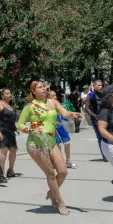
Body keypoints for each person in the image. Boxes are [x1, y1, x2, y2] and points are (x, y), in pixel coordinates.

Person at [18, 80, 70, 215]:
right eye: (40, 87)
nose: (43, 89)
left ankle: (52, 192)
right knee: (51, 174)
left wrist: (73, 114)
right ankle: (60, 202)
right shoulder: (30, 106)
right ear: (34, 92)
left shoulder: (53, 102)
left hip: (50, 141)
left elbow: (64, 113)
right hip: (36, 144)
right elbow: (19, 124)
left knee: (63, 172)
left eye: (44, 86)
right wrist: (30, 130)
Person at [49, 88, 82, 169]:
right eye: (53, 96)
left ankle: (68, 160)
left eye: (55, 96)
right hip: (53, 128)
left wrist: (68, 119)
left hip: (60, 126)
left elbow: (63, 113)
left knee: (67, 142)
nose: (55, 97)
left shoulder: (57, 104)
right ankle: (58, 162)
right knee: (57, 145)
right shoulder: (47, 105)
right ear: (48, 97)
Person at [0, 89, 21, 178]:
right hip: (2, 131)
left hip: (10, 131)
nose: (10, 94)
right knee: (3, 151)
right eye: (7, 93)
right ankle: (1, 173)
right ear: (2, 96)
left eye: (10, 93)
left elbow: (10, 120)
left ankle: (11, 170)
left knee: (13, 150)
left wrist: (15, 128)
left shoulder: (9, 105)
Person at [84, 79, 107, 161]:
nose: (100, 87)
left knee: (107, 136)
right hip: (95, 119)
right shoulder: (90, 95)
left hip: (104, 118)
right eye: (98, 85)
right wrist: (95, 116)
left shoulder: (103, 94)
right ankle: (104, 155)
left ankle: (109, 153)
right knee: (100, 137)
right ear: (94, 86)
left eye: (101, 85)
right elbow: (86, 108)